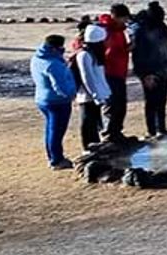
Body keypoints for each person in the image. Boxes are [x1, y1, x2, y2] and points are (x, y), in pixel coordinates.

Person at [30, 33, 78, 169]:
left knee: (50, 130)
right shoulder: (53, 64)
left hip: (42, 99)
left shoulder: (38, 58)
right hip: (57, 102)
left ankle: (52, 157)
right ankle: (56, 160)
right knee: (56, 132)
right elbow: (59, 86)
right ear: (55, 48)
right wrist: (70, 95)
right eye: (61, 48)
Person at [130, 1, 167, 138]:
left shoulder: (160, 26)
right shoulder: (141, 31)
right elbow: (138, 55)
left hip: (162, 68)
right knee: (151, 101)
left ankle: (162, 128)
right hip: (148, 71)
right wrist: (145, 74)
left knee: (161, 100)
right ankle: (152, 131)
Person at [96, 2, 133, 142]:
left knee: (121, 104)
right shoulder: (106, 30)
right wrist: (127, 49)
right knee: (111, 104)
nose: (126, 21)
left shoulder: (119, 30)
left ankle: (116, 132)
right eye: (124, 18)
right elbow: (109, 53)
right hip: (110, 73)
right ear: (116, 17)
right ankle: (108, 135)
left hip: (119, 72)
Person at [75, 23, 113, 150]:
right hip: (88, 96)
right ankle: (88, 147)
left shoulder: (95, 54)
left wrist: (104, 92)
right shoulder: (84, 55)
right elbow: (87, 78)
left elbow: (99, 75)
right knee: (88, 123)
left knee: (96, 122)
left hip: (98, 94)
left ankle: (95, 145)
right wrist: (96, 95)